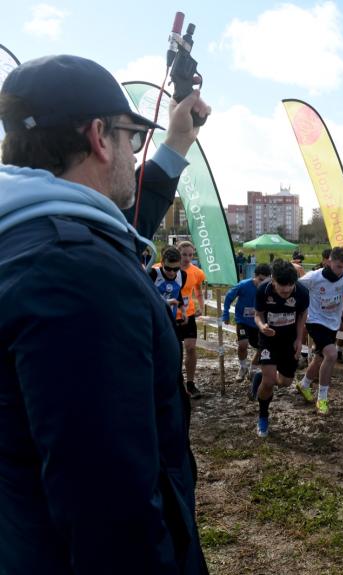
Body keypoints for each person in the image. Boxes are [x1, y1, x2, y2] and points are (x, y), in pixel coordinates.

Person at [0, 54, 210, 572]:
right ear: (99, 135)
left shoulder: (26, 236)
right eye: (130, 138)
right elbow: (109, 505)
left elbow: (121, 217)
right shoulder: (75, 273)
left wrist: (177, 141)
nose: (133, 156)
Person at [251, 260, 309, 437]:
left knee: (285, 383)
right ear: (273, 280)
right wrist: (261, 327)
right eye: (282, 286)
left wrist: (299, 339)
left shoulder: (302, 292)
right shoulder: (263, 290)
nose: (286, 290)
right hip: (268, 339)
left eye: (290, 286)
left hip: (289, 341)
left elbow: (302, 315)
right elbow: (258, 315)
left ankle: (261, 377)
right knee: (268, 383)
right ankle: (263, 417)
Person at [298, 247, 343, 415]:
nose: (341, 271)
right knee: (331, 354)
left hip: (333, 321)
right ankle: (322, 399)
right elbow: (292, 287)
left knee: (320, 358)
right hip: (315, 320)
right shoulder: (313, 277)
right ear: (329, 261)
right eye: (338, 266)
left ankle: (303, 385)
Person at [222, 263, 272, 382]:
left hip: (259, 322)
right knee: (243, 344)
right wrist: (226, 313)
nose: (262, 283)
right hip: (243, 320)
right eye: (260, 279)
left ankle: (253, 369)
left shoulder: (269, 288)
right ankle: (243, 367)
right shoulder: (244, 285)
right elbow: (229, 297)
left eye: (265, 280)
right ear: (255, 276)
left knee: (262, 348)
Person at [175, 240, 207, 398]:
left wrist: (201, 306)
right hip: (170, 315)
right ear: (177, 253)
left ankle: (190, 383)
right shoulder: (162, 268)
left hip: (189, 315)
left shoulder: (197, 272)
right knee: (175, 351)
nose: (187, 258)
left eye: (190, 255)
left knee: (190, 348)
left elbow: (198, 291)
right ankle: (174, 382)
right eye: (184, 254)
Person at [151, 246, 188, 329]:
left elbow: (178, 294)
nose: (172, 273)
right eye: (168, 268)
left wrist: (183, 310)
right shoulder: (153, 274)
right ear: (162, 263)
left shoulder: (182, 276)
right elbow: (145, 297)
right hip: (152, 321)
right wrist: (164, 301)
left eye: (176, 269)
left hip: (170, 321)